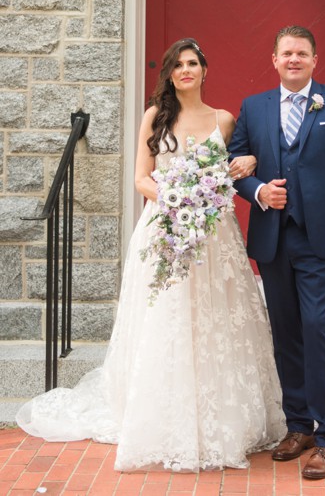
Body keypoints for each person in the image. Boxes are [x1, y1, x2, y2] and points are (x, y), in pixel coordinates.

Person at [17, 38, 285, 471]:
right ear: (169, 72)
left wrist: (248, 162)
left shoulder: (225, 120)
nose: (185, 70)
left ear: (204, 69)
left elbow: (235, 169)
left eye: (193, 63)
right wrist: (176, 201)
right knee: (168, 319)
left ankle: (224, 419)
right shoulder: (155, 117)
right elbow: (142, 178)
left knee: (216, 320)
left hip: (215, 238)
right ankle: (162, 416)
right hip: (164, 228)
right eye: (177, 64)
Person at [228, 25, 325, 481]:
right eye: (286, 53)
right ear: (274, 59)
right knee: (287, 330)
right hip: (274, 239)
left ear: (314, 60)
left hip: (323, 241)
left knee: (316, 326)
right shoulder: (253, 108)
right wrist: (257, 192)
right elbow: (233, 167)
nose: (294, 59)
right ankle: (298, 426)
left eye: (302, 53)